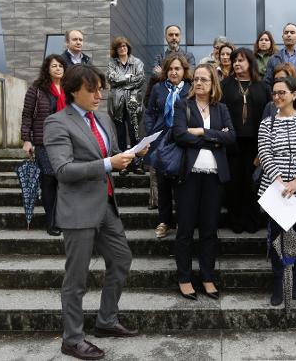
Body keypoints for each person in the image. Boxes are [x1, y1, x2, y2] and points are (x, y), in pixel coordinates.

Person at [43, 65, 147, 360]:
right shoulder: (56, 123)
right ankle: (72, 338)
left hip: (106, 207)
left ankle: (106, 320)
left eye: (101, 88)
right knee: (76, 279)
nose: (100, 95)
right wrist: (107, 164)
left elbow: (111, 153)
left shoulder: (102, 118)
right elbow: (63, 170)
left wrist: (132, 153)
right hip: (77, 211)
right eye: (93, 90)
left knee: (122, 259)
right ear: (74, 90)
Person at [172, 64, 236, 300]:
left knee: (209, 230)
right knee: (186, 229)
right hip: (189, 176)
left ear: (213, 84)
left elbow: (231, 137)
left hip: (214, 178)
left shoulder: (221, 108)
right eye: (196, 79)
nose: (199, 83)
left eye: (204, 80)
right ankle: (184, 278)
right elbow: (179, 134)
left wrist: (200, 132)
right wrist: (213, 138)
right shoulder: (182, 105)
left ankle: (207, 277)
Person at [257, 76, 296, 306]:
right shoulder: (267, 123)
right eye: (274, 93)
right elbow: (264, 153)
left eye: (282, 92)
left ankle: (295, 279)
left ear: (294, 94)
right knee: (277, 237)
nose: (277, 97)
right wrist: (281, 181)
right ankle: (278, 281)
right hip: (276, 189)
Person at [221, 47, 270, 233]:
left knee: (253, 183)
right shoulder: (225, 85)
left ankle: (252, 219)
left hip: (256, 144)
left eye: (241, 60)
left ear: (250, 62)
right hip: (232, 143)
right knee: (234, 183)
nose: (236, 63)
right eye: (234, 60)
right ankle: (236, 220)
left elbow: (268, 115)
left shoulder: (262, 86)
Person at [144, 53, 192, 239]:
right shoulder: (158, 88)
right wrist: (151, 132)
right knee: (162, 183)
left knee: (182, 185)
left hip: (182, 141)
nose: (173, 72)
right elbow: (149, 113)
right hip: (161, 141)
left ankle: (182, 220)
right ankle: (164, 221)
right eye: (170, 69)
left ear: (184, 71)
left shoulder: (190, 88)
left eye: (177, 68)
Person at [20, 54, 67, 237]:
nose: (58, 69)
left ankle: (60, 218)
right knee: (49, 178)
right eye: (54, 66)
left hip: (65, 141)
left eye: (61, 66)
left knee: (62, 180)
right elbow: (27, 115)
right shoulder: (37, 89)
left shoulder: (68, 89)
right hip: (43, 141)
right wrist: (26, 139)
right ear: (47, 69)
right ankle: (51, 221)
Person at [107, 36, 146, 173]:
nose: (122, 48)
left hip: (133, 103)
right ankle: (124, 165)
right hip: (117, 104)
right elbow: (111, 78)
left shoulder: (137, 62)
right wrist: (128, 78)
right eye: (119, 47)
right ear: (116, 49)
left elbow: (140, 79)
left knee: (134, 133)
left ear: (128, 47)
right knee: (121, 135)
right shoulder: (112, 63)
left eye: (124, 46)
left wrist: (121, 83)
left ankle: (137, 164)